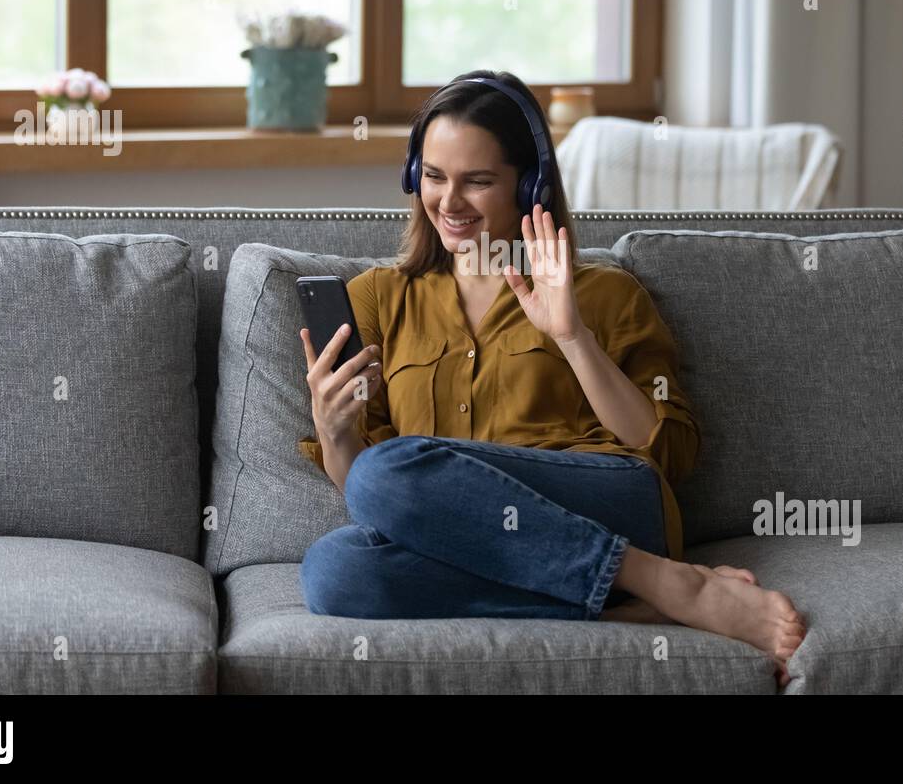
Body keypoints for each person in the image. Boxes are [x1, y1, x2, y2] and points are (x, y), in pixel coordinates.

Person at [297, 69, 805, 686]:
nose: (449, 203)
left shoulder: (605, 292)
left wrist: (571, 336)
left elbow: (664, 453)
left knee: (387, 470)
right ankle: (640, 598)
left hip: (608, 499)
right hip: (482, 540)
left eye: (477, 182)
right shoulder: (377, 297)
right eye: (433, 176)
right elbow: (372, 495)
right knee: (334, 569)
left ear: (529, 185)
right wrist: (336, 430)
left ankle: (663, 579)